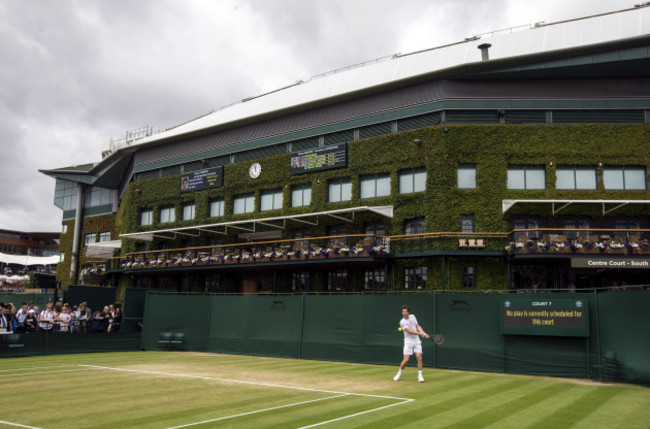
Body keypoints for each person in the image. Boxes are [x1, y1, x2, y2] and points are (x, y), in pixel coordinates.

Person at [394, 305, 429, 383]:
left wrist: (423, 332)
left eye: (406, 312)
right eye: (403, 312)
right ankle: (399, 373)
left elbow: (417, 325)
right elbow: (410, 331)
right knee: (406, 360)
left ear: (408, 312)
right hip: (408, 341)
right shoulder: (402, 322)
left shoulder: (413, 316)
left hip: (416, 341)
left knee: (419, 358)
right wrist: (421, 334)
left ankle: (420, 376)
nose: (404, 313)